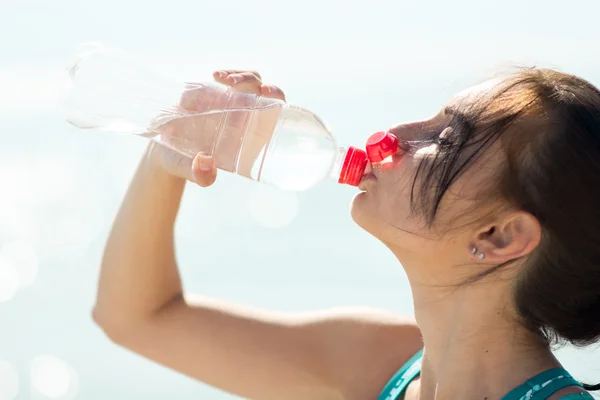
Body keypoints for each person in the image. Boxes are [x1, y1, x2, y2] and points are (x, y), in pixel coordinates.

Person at [92, 68, 600, 400]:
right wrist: (173, 151)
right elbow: (137, 317)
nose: (394, 136)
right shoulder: (377, 362)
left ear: (499, 237)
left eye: (446, 139)